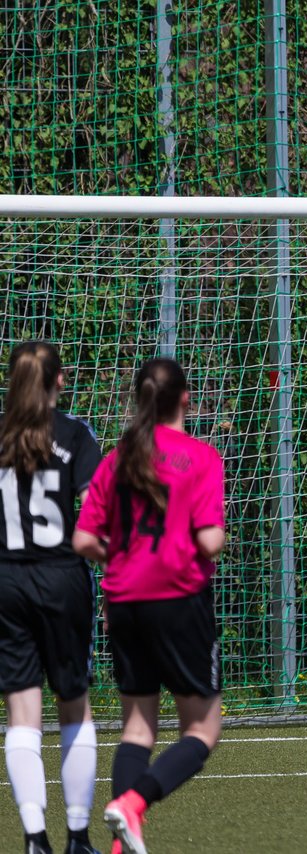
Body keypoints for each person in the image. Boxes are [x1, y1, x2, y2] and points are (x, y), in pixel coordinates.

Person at [72, 358, 226, 854]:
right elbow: (209, 540)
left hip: (124, 601)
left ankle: (121, 846)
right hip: (178, 599)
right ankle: (135, 804)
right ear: (185, 399)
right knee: (203, 728)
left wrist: (122, 554)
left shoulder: (117, 459)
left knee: (137, 726)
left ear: (139, 400)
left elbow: (83, 539)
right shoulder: (200, 457)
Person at [0, 343, 104, 854]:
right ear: (58, 380)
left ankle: (35, 838)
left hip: (6, 582)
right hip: (63, 578)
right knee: (74, 707)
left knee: (22, 714)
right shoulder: (74, 434)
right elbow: (96, 507)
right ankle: (78, 838)